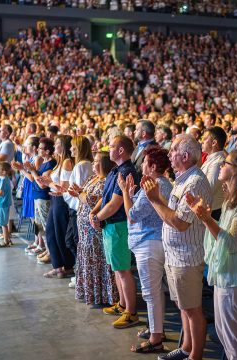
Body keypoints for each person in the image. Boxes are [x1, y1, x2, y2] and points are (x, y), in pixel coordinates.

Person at [142, 134, 212, 360]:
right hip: (175, 254)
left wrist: (154, 200)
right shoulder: (182, 178)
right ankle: (186, 347)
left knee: (193, 310)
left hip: (187, 256)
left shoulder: (196, 183)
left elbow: (180, 223)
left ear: (185, 155)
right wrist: (157, 198)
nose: (169, 155)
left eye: (173, 151)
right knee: (183, 306)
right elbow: (171, 212)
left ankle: (196, 356)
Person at [186, 150, 237, 360]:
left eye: (225, 163)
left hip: (236, 280)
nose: (220, 166)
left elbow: (233, 243)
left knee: (234, 340)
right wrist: (205, 217)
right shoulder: (231, 200)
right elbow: (223, 236)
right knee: (224, 334)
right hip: (227, 275)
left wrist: (207, 219)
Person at [118, 147, 173, 353]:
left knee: (151, 293)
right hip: (155, 243)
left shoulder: (154, 184)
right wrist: (132, 194)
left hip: (149, 244)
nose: (141, 165)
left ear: (153, 166)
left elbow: (132, 214)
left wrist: (125, 192)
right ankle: (156, 328)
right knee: (155, 292)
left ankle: (156, 338)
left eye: (145, 162)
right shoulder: (165, 183)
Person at [90, 135, 140, 329]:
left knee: (123, 270)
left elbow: (115, 203)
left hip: (119, 225)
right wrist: (95, 212)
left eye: (111, 146)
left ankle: (131, 312)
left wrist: (97, 217)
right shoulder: (115, 170)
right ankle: (122, 304)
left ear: (121, 151)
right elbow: (105, 197)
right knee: (117, 269)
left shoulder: (127, 171)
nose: (107, 149)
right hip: (110, 226)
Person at [70, 151, 119, 306]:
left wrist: (80, 194)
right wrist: (79, 192)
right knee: (86, 257)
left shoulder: (106, 182)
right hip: (84, 227)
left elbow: (91, 199)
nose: (93, 164)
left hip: (95, 228)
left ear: (104, 163)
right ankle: (90, 293)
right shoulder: (92, 178)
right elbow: (83, 195)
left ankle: (103, 295)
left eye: (96, 161)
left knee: (98, 259)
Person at [39, 135, 75, 278]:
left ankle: (67, 265)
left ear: (64, 146)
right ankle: (58, 265)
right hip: (54, 199)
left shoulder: (67, 162)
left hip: (61, 201)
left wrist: (49, 183)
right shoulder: (59, 161)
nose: (55, 145)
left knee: (60, 233)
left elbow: (64, 188)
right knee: (51, 232)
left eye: (58, 143)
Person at [63, 135, 94, 287]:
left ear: (79, 148)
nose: (70, 149)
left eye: (73, 146)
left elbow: (79, 190)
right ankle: (81, 271)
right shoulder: (85, 164)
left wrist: (67, 193)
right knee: (73, 240)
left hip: (79, 208)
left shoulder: (81, 165)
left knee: (75, 241)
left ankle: (81, 273)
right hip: (78, 207)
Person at [25, 137, 57, 262]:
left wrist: (32, 170)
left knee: (46, 226)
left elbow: (42, 184)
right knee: (40, 226)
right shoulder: (44, 162)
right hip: (37, 197)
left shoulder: (51, 163)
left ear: (48, 151)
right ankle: (47, 250)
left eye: (40, 148)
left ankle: (50, 252)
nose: (38, 149)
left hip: (44, 198)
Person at [200, 126, 227, 220]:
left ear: (214, 142)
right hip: (209, 209)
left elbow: (208, 189)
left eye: (204, 139)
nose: (201, 141)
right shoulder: (211, 159)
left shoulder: (217, 163)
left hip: (213, 212)